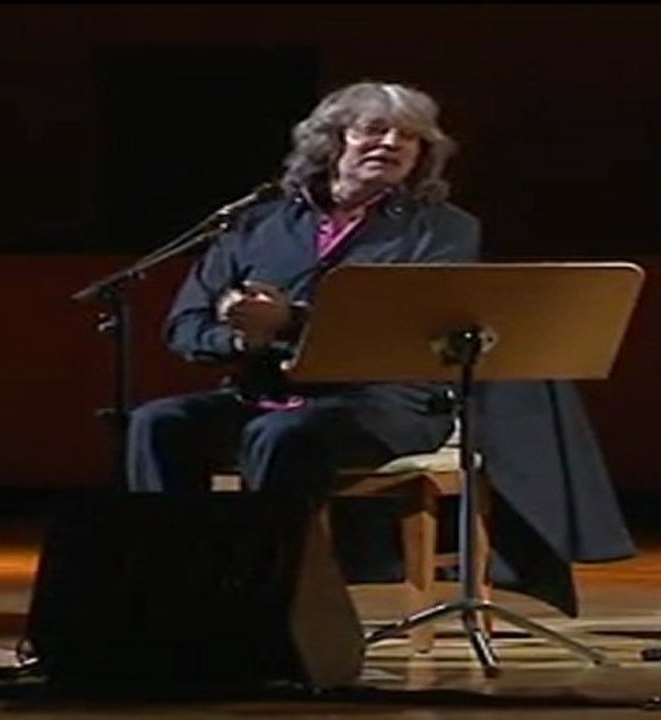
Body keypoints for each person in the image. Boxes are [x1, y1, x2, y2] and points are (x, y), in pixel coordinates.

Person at [127, 80, 480, 501]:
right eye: (373, 129)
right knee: (157, 423)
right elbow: (185, 327)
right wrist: (241, 338)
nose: (390, 143)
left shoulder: (443, 229)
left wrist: (291, 323)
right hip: (265, 392)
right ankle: (178, 565)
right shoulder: (255, 224)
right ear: (331, 141)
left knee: (281, 435)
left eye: (408, 136)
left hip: (386, 403)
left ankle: (273, 566)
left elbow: (410, 329)